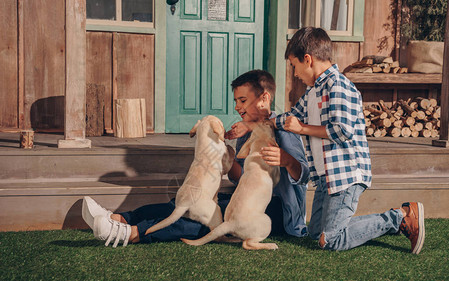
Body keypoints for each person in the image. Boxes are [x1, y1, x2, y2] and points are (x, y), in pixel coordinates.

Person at [232, 27, 425, 253]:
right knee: (316, 235)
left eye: (294, 66)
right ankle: (355, 226)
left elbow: (342, 131)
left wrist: (302, 128)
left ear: (308, 59)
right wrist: (252, 125)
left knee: (331, 241)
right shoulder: (313, 91)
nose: (295, 73)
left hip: (345, 174)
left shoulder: (338, 86)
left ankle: (400, 217)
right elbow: (288, 118)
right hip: (326, 178)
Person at [85, 69, 310, 247]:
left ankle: (133, 234)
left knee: (208, 219)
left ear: (264, 98)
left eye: (242, 100)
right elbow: (241, 180)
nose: (237, 107)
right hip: (247, 201)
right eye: (236, 101)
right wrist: (228, 162)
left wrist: (286, 160)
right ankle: (120, 218)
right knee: (192, 204)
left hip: (277, 213)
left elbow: (305, 175)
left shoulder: (284, 129)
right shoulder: (245, 132)